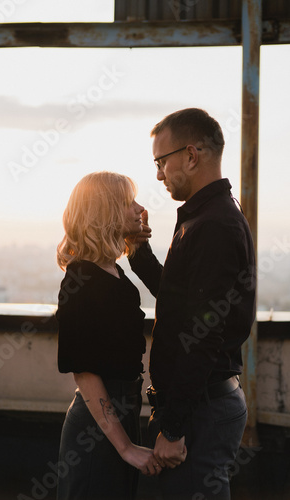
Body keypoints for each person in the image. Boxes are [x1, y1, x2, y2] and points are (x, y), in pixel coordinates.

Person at [128, 108, 257, 499]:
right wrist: (137, 250)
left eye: (160, 161)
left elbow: (202, 334)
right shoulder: (204, 218)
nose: (158, 174)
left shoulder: (214, 225)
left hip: (200, 413)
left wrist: (174, 428)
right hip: (198, 406)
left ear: (190, 155)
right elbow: (180, 300)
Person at [55, 171, 162, 500]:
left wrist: (138, 246)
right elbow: (84, 372)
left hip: (121, 414)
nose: (140, 208)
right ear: (105, 211)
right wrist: (126, 447)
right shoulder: (82, 279)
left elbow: (169, 294)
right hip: (98, 427)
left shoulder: (112, 270)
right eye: (129, 202)